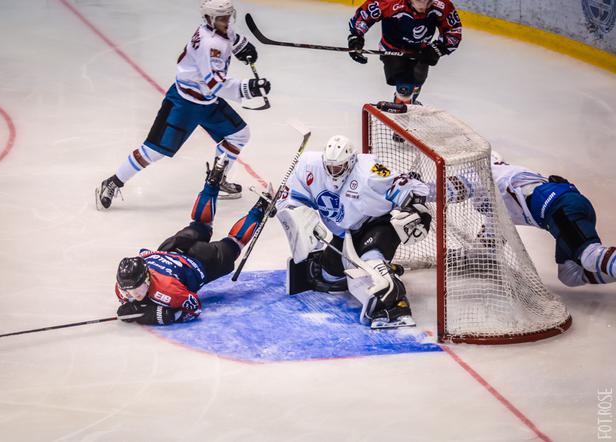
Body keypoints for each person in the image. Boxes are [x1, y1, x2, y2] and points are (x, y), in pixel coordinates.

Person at [96, 0, 271, 208]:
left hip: (207, 101)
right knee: (153, 151)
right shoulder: (210, 45)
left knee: (239, 134)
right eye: (222, 18)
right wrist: (249, 88)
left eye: (227, 17)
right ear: (209, 19)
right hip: (184, 104)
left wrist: (242, 46)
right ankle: (113, 182)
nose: (226, 21)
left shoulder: (216, 28)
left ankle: (218, 179)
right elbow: (215, 84)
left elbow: (230, 36)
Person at [275, 135, 433, 328]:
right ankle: (369, 270)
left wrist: (414, 207)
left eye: (339, 167)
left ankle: (395, 307)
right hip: (346, 232)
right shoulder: (310, 165)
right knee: (328, 276)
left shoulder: (370, 171)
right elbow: (291, 199)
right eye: (330, 167)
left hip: (378, 223)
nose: (334, 172)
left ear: (350, 162)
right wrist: (290, 211)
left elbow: (412, 187)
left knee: (372, 262)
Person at [114, 156, 270, 325]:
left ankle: (261, 207)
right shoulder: (123, 287)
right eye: (127, 291)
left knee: (234, 243)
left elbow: (194, 308)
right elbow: (143, 254)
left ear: (146, 279)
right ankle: (212, 181)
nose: (130, 295)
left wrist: (163, 315)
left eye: (135, 290)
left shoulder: (167, 290)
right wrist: (133, 303)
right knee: (200, 224)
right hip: (173, 247)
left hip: (200, 259)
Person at [488, 153, 615, 287]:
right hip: (565, 208)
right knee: (570, 275)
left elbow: (464, 187)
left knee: (590, 255)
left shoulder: (481, 175)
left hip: (560, 210)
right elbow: (492, 234)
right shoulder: (497, 185)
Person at [347, 0, 462, 105]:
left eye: (428, 2)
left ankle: (409, 100)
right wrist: (355, 38)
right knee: (405, 85)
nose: (424, 7)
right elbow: (363, 16)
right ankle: (403, 103)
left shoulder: (442, 4)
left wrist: (438, 49)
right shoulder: (389, 2)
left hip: (421, 51)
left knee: (418, 80)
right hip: (392, 48)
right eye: (420, 1)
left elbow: (453, 31)